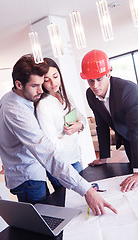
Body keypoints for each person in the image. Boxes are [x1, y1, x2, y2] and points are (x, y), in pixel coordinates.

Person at [0, 54, 117, 216]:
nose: (41, 90)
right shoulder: (16, 110)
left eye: (41, 83)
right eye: (35, 86)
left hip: (32, 172)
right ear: (18, 84)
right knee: (44, 222)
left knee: (52, 216)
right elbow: (46, 152)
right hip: (28, 178)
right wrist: (87, 190)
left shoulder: (14, 97)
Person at [80, 49, 138, 192]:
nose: (95, 85)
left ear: (108, 74)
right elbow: (101, 124)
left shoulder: (127, 90)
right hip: (129, 137)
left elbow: (137, 129)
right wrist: (103, 156)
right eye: (90, 81)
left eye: (99, 79)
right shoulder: (90, 95)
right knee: (136, 184)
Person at [35, 57, 85, 190]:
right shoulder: (43, 105)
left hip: (75, 157)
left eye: (55, 76)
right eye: (47, 80)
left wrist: (79, 125)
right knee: (73, 204)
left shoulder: (65, 94)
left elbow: (81, 117)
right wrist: (71, 133)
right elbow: (53, 145)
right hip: (60, 165)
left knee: (84, 203)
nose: (53, 82)